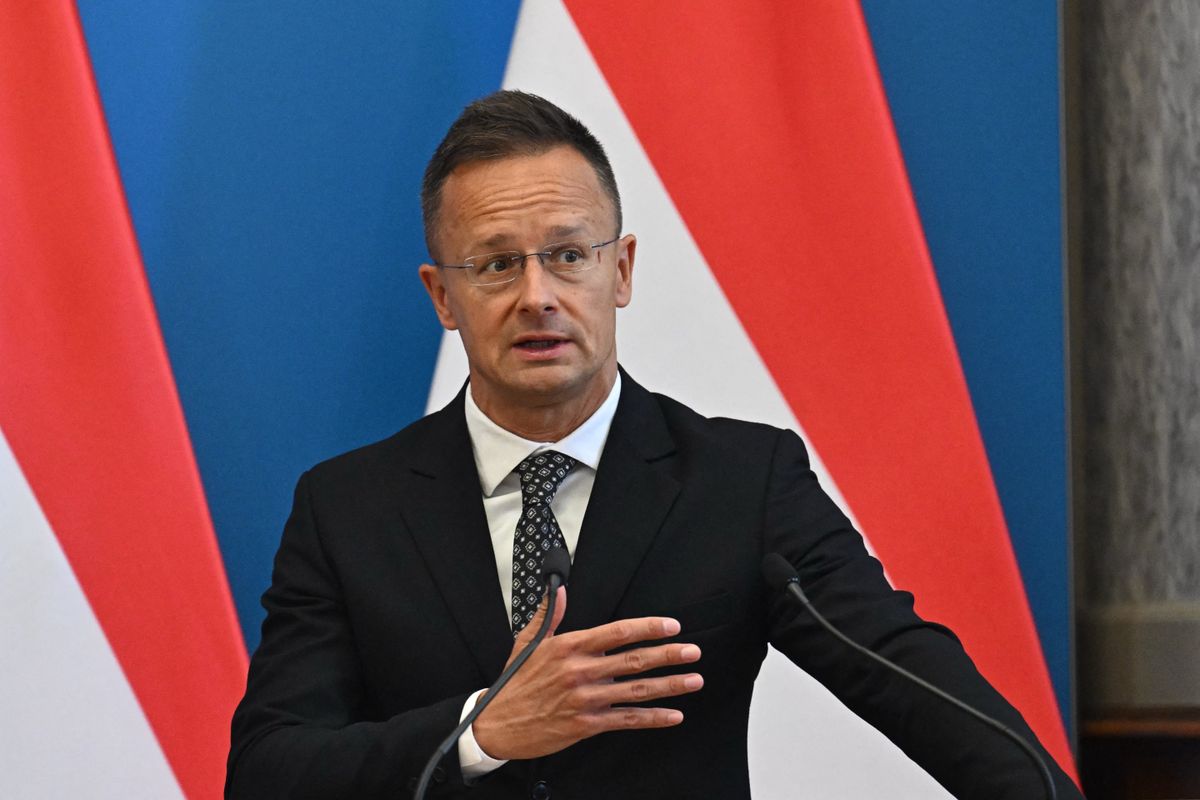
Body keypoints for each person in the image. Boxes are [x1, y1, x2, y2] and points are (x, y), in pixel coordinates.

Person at [226, 90, 1083, 799]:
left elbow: (907, 675)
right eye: (494, 265)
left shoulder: (742, 483)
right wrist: (481, 733)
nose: (537, 297)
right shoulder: (348, 508)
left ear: (622, 270)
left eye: (568, 255)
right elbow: (268, 773)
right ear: (441, 296)